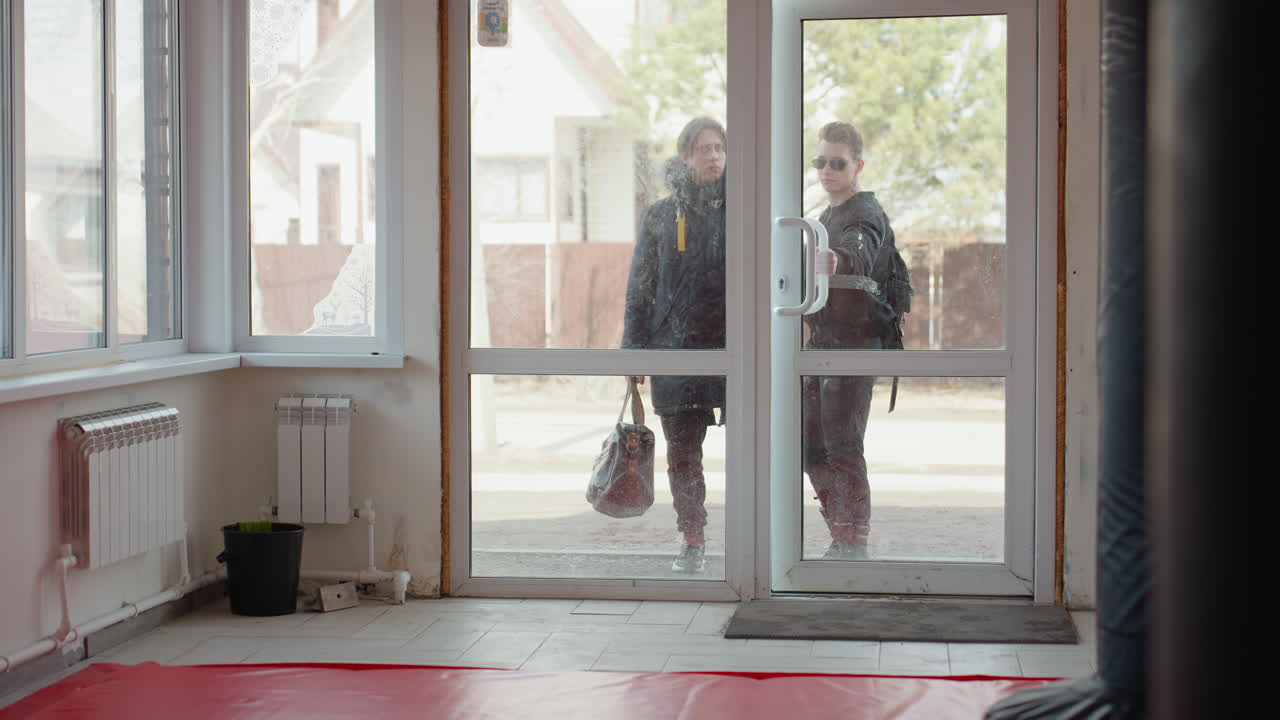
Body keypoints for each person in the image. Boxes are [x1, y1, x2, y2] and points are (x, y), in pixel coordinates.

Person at [621, 116, 727, 573]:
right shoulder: (663, 216)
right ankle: (693, 539)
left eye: (720, 148)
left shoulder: (742, 209)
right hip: (676, 350)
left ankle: (754, 540)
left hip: (734, 351)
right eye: (704, 148)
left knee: (756, 451)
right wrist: (635, 351)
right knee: (684, 456)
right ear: (685, 157)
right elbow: (640, 287)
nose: (714, 156)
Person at [804, 120, 910, 561]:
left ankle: (852, 541)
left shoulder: (865, 212)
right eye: (821, 162)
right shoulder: (825, 215)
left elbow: (859, 250)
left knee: (843, 443)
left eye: (837, 163)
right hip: (824, 345)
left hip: (853, 346)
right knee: (810, 445)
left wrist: (836, 258)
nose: (827, 170)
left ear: (857, 166)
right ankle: (841, 533)